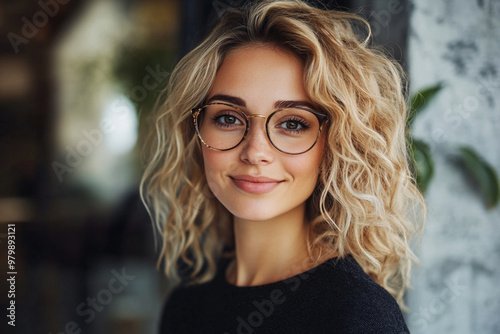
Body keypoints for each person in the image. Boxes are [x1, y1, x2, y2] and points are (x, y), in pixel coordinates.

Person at [141, 0, 425, 333]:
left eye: (292, 124)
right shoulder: (185, 307)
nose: (255, 152)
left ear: (334, 143)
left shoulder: (354, 314)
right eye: (228, 118)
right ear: (196, 131)